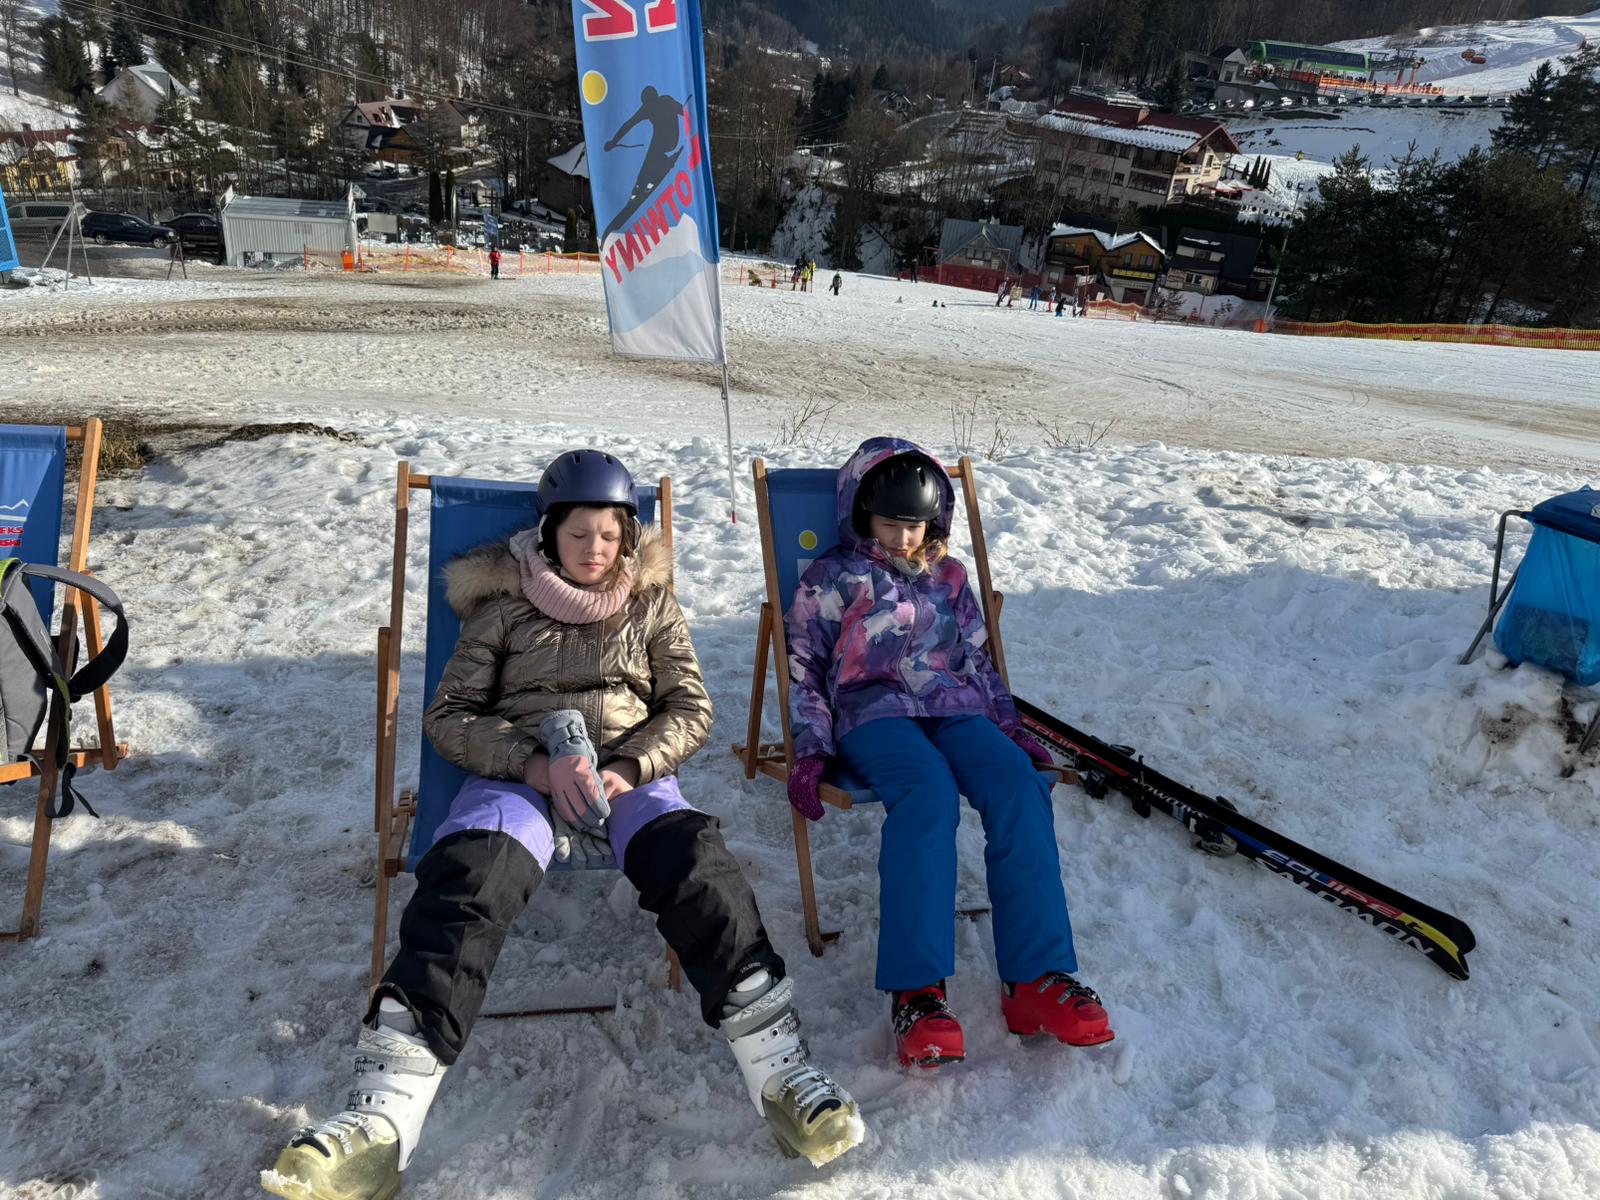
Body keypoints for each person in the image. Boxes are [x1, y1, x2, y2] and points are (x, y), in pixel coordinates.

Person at [262, 452, 864, 1200]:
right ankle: (382, 1118)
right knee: (468, 882)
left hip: (627, 772)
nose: (595, 550)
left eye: (610, 535)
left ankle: (782, 1075)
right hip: (522, 773)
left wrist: (632, 766)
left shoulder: (651, 605)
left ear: (628, 537)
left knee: (698, 866)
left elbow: (690, 708)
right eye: (579, 534)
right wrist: (533, 766)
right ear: (548, 534)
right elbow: (449, 716)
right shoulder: (503, 607)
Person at [782, 438, 1113, 1071]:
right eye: (891, 523)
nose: (905, 537)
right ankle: (918, 992)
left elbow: (979, 662)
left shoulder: (951, 577)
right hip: (873, 714)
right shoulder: (831, 579)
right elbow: (805, 669)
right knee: (927, 793)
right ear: (860, 513)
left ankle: (1035, 979)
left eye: (916, 524)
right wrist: (813, 750)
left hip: (957, 706)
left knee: (1019, 784)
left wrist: (1010, 728)